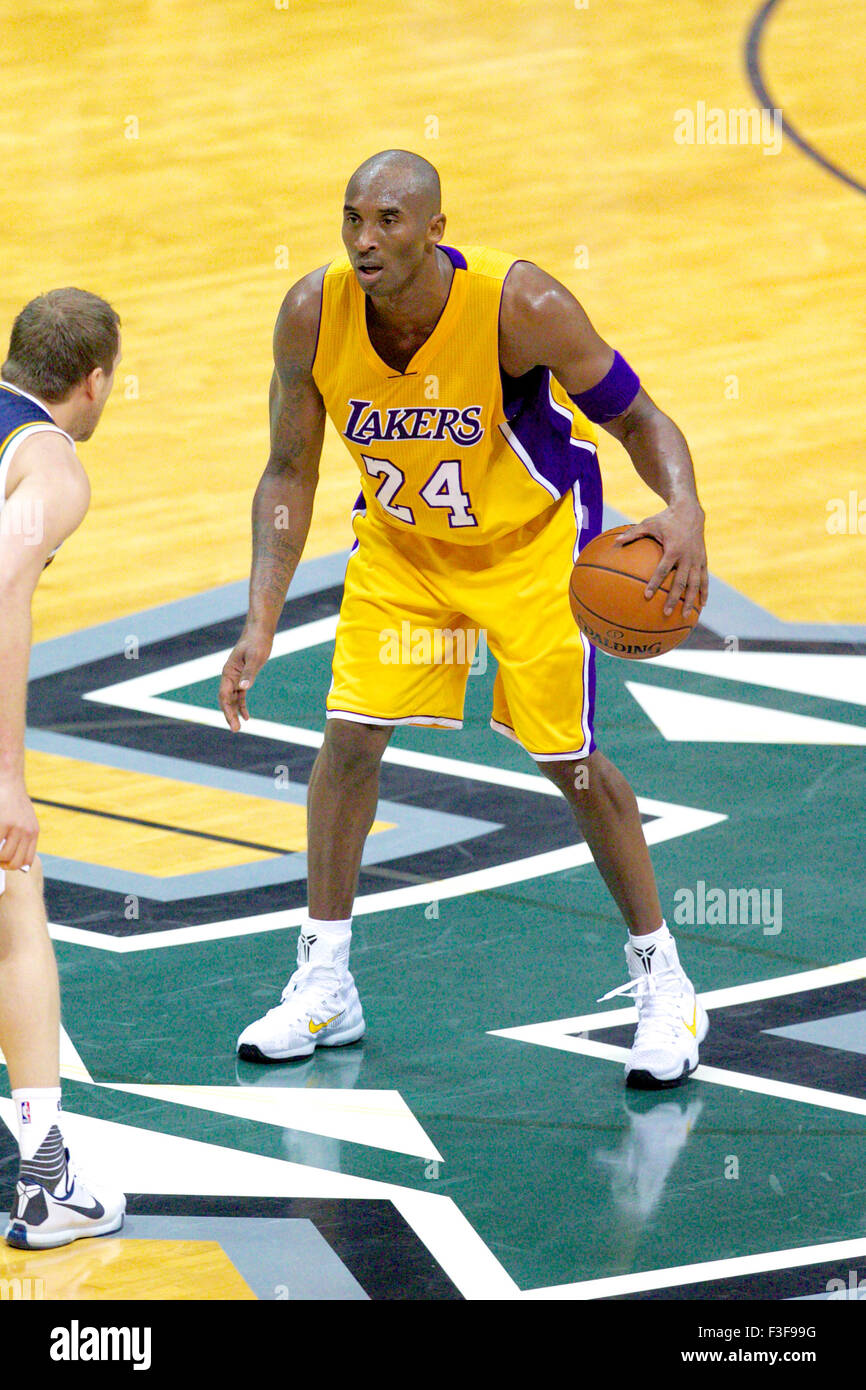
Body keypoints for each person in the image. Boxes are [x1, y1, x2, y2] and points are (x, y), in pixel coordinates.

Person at [220, 150, 710, 1088]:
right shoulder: (311, 314)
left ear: (436, 229)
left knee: (571, 764)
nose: (365, 240)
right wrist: (261, 620)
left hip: (530, 548)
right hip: (405, 552)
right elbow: (288, 472)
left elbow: (639, 415)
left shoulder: (518, 305)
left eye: (390, 220)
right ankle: (325, 980)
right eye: (353, 218)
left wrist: (682, 505)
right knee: (348, 743)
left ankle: (665, 982)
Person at [0, 288, 126, 1247]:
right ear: (94, 381)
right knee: (16, 914)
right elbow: (4, 579)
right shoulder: (53, 464)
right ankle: (44, 1184)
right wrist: (7, 775)